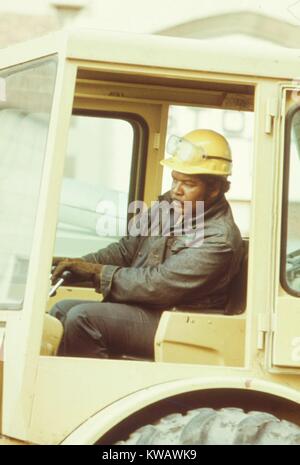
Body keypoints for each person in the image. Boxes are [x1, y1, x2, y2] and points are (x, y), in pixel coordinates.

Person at [50, 129, 243, 359]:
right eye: (175, 179)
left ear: (215, 189)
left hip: (181, 323)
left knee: (82, 319)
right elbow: (125, 250)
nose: (176, 190)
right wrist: (77, 265)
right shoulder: (171, 206)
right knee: (61, 310)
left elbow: (158, 285)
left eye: (188, 183)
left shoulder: (218, 238)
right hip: (150, 310)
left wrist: (96, 273)